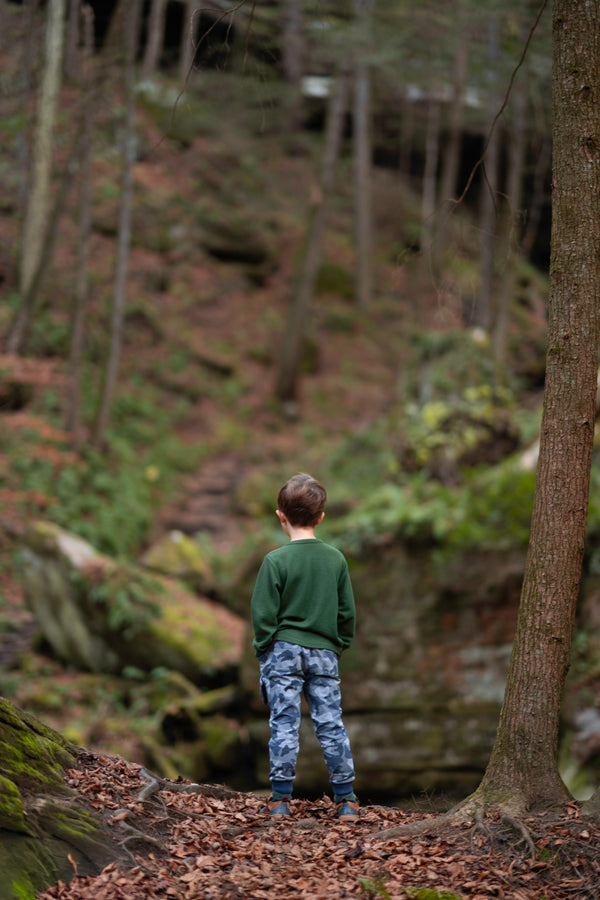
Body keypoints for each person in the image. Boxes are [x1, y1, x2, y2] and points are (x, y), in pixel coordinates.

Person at [251, 472, 358, 820]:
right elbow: (346, 613)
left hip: (283, 651)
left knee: (284, 722)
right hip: (324, 652)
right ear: (321, 516)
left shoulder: (275, 561)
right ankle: (346, 799)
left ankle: (280, 799)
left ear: (281, 516)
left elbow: (263, 615)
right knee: (330, 722)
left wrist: (264, 650)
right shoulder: (335, 559)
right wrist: (337, 645)